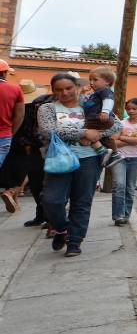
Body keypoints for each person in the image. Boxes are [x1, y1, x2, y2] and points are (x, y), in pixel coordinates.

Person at [38, 73, 122, 257]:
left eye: (68, 88)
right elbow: (49, 130)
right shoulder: (47, 108)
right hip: (59, 159)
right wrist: (84, 132)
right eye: (59, 89)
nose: (65, 92)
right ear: (53, 91)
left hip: (89, 159)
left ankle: (75, 241)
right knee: (52, 200)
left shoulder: (91, 102)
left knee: (82, 201)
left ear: (77, 87)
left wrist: (96, 135)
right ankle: (61, 229)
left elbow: (116, 126)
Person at [0, 79, 42, 215]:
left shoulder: (9, 100)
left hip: (9, 136)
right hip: (23, 141)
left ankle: (12, 197)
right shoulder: (33, 107)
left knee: (8, 168)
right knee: (22, 171)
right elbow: (29, 123)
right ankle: (11, 192)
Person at [111, 98, 137, 226]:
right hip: (119, 157)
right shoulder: (121, 123)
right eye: (128, 109)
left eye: (134, 109)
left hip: (136, 158)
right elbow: (114, 142)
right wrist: (132, 138)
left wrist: (122, 138)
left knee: (129, 187)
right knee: (119, 185)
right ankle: (118, 216)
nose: (131, 111)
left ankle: (126, 215)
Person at [81, 66, 118, 166]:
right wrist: (82, 93)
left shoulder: (104, 91)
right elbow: (85, 104)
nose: (91, 82)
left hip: (98, 118)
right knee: (104, 138)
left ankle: (103, 151)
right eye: (90, 80)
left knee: (85, 131)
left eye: (95, 80)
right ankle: (114, 154)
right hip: (96, 119)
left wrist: (105, 111)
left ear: (107, 82)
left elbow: (109, 100)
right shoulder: (95, 94)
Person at [0, 59, 25, 182]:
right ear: (4, 73)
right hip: (4, 136)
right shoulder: (15, 90)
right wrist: (10, 132)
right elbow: (19, 116)